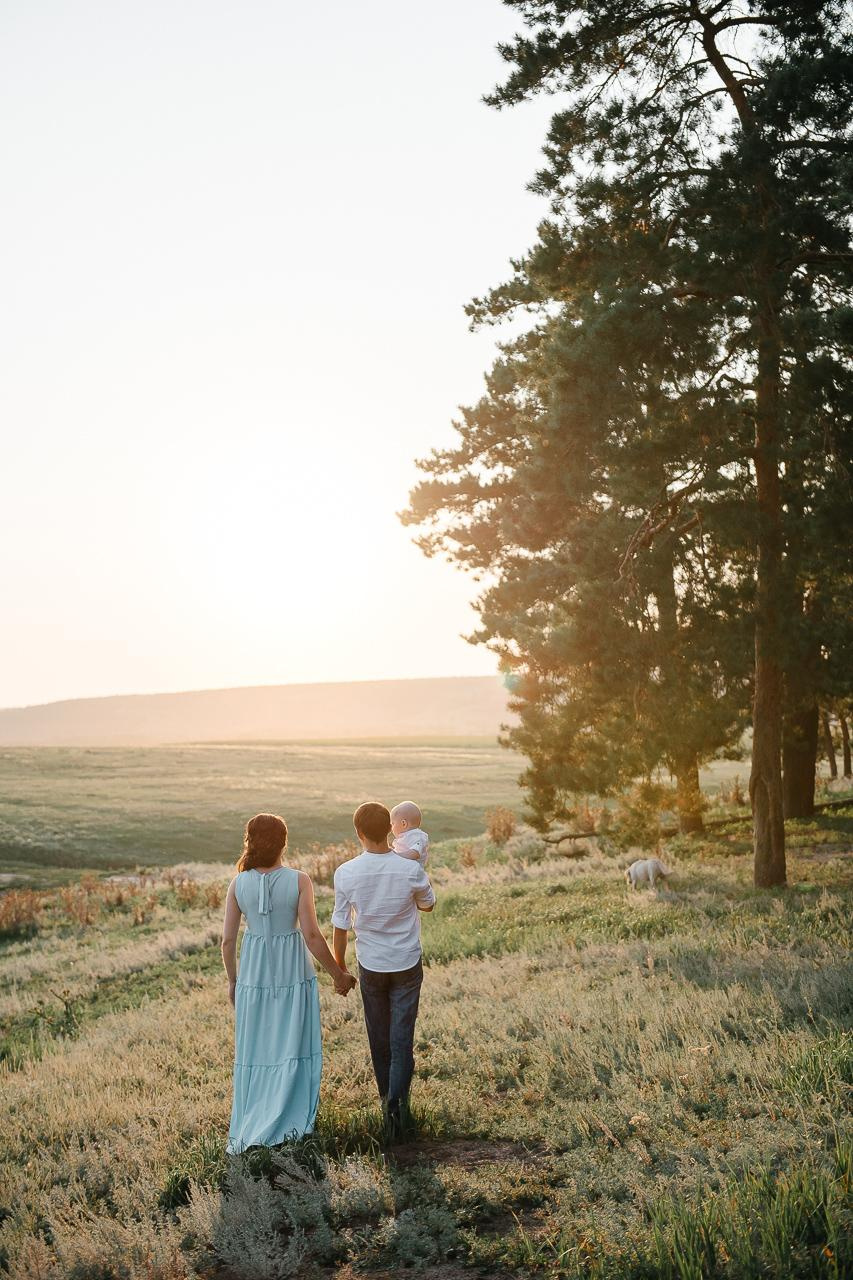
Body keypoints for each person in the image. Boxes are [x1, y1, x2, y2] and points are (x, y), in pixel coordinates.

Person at [221, 812, 356, 1153]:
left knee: (256, 1048)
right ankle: (289, 1117)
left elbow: (226, 942)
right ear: (283, 843)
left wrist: (234, 982)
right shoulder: (299, 880)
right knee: (292, 1044)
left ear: (249, 842)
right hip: (292, 971)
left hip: (253, 973)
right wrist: (338, 974)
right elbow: (311, 935)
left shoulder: (238, 884)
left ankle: (255, 1119)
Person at [331, 801, 435, 1137]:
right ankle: (398, 1111)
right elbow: (428, 904)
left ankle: (387, 1105)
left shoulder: (346, 872)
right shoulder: (410, 868)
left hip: (371, 965)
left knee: (380, 1038)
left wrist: (339, 968)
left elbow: (341, 925)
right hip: (406, 961)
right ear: (389, 829)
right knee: (402, 1040)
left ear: (359, 833)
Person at [390, 800, 430, 868]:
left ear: (403, 824)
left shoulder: (417, 837)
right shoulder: (405, 837)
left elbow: (415, 853)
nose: (391, 828)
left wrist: (396, 855)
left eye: (393, 824)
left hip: (414, 875)